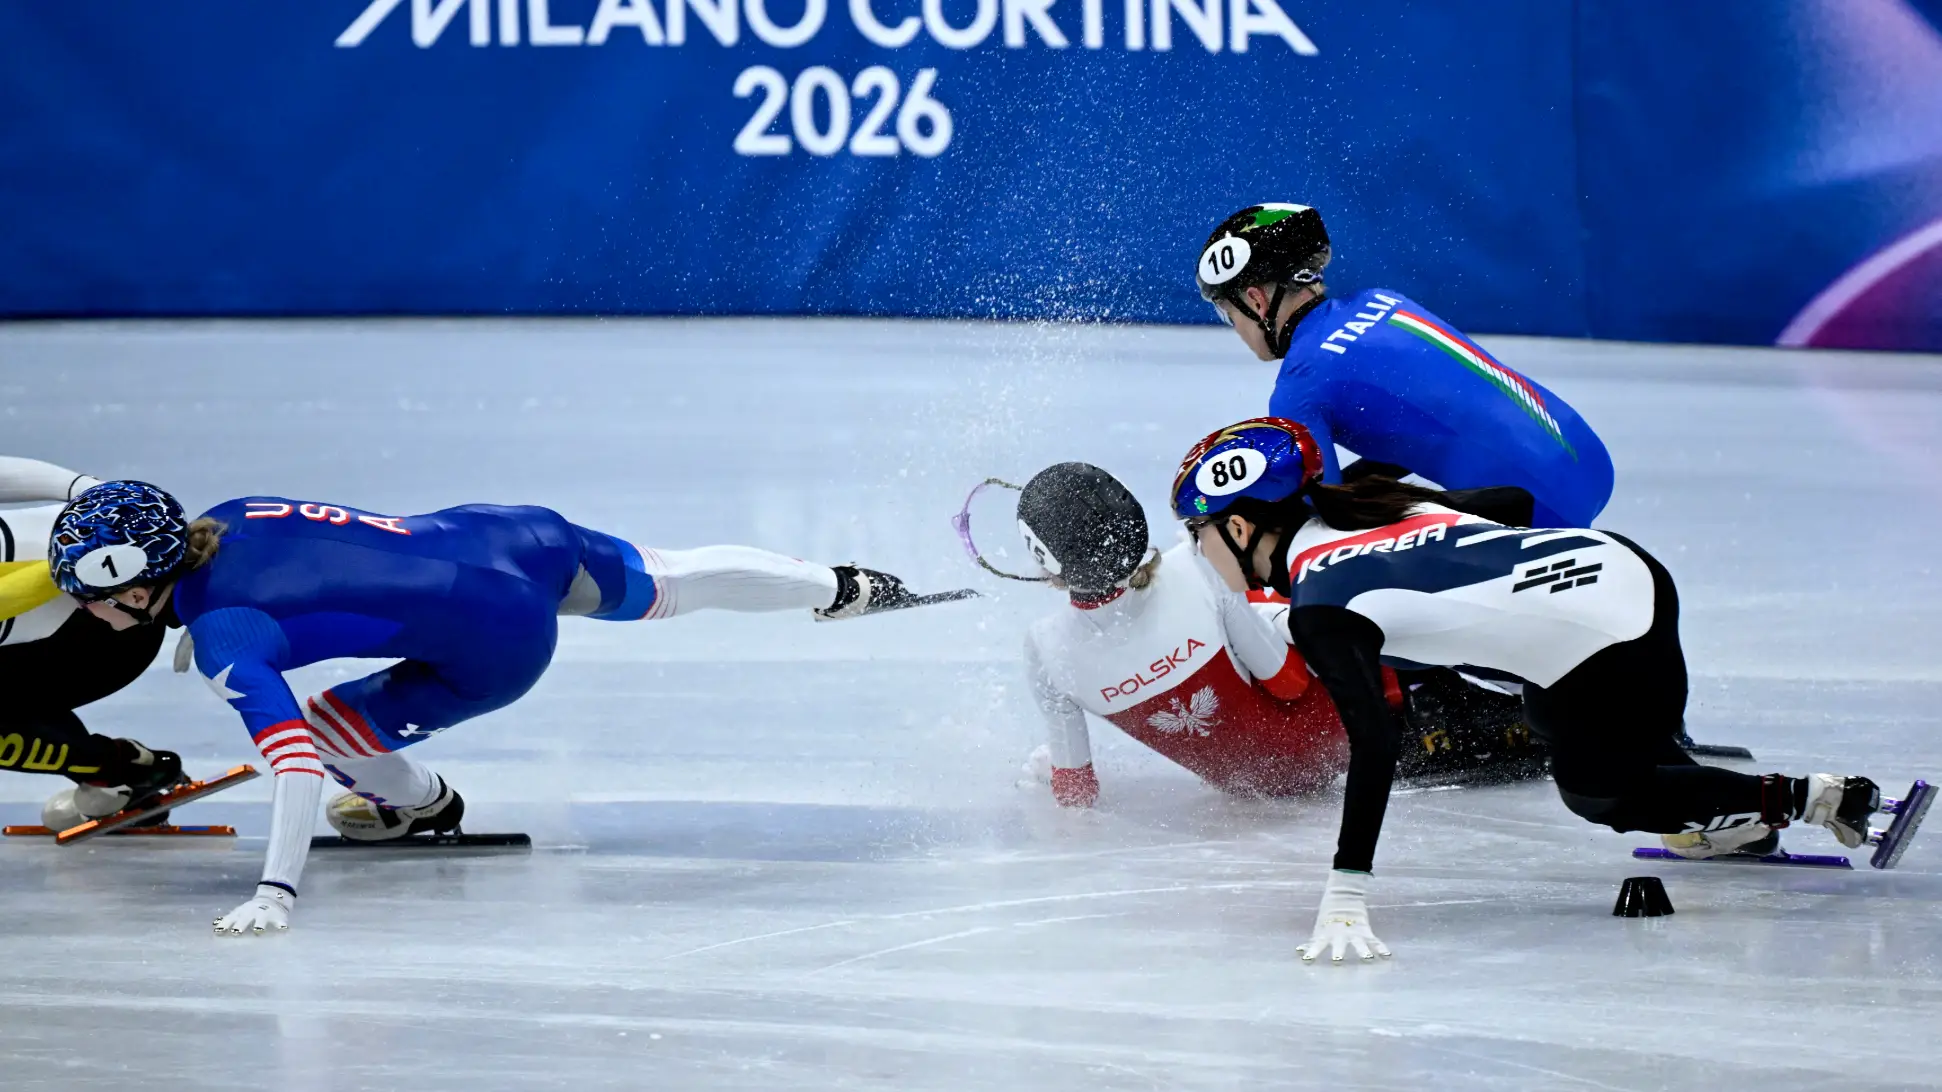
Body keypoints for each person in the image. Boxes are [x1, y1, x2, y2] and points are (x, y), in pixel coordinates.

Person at [46, 481, 926, 937]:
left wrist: (275, 893)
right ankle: (845, 585)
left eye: (88, 594)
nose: (83, 610)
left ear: (139, 580)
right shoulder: (225, 515)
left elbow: (296, 767)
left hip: (497, 642)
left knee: (320, 728)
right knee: (676, 579)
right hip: (508, 534)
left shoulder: (229, 631)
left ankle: (423, 804)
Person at [1170, 417, 1891, 964]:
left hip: (1608, 645)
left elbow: (1378, 742)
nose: (1201, 556)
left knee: (1600, 792)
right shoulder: (1372, 504)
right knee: (1561, 727)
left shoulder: (1322, 604)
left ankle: (1812, 797)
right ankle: (1719, 795)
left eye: (1200, 536)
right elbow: (1511, 498)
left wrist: (1347, 890)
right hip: (1625, 572)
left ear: (1238, 526)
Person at [1014, 462, 1542, 806]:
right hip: (1357, 726)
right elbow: (1287, 683)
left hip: (1263, 787)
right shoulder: (1195, 568)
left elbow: (1076, 788)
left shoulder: (1045, 647)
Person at [1195, 203, 1615, 527]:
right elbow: (1413, 427)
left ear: (1255, 300)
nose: (1234, 327)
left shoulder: (1299, 385)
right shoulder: (1382, 301)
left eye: (1227, 313)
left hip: (1538, 511)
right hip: (1588, 457)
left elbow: (1318, 523)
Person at [0, 462, 183, 827]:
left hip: (107, 631)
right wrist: (86, 490)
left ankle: (119, 769)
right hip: (96, 597)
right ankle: (116, 768)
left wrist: (91, 493)